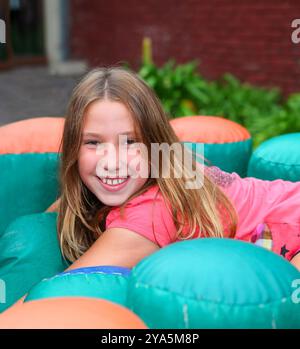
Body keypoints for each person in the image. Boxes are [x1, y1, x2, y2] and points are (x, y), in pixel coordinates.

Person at [47, 66, 300, 271]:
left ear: (156, 144)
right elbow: (67, 202)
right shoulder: (168, 171)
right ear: (73, 151)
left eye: (131, 142)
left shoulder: (149, 215)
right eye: (93, 142)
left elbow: (59, 297)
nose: (111, 161)